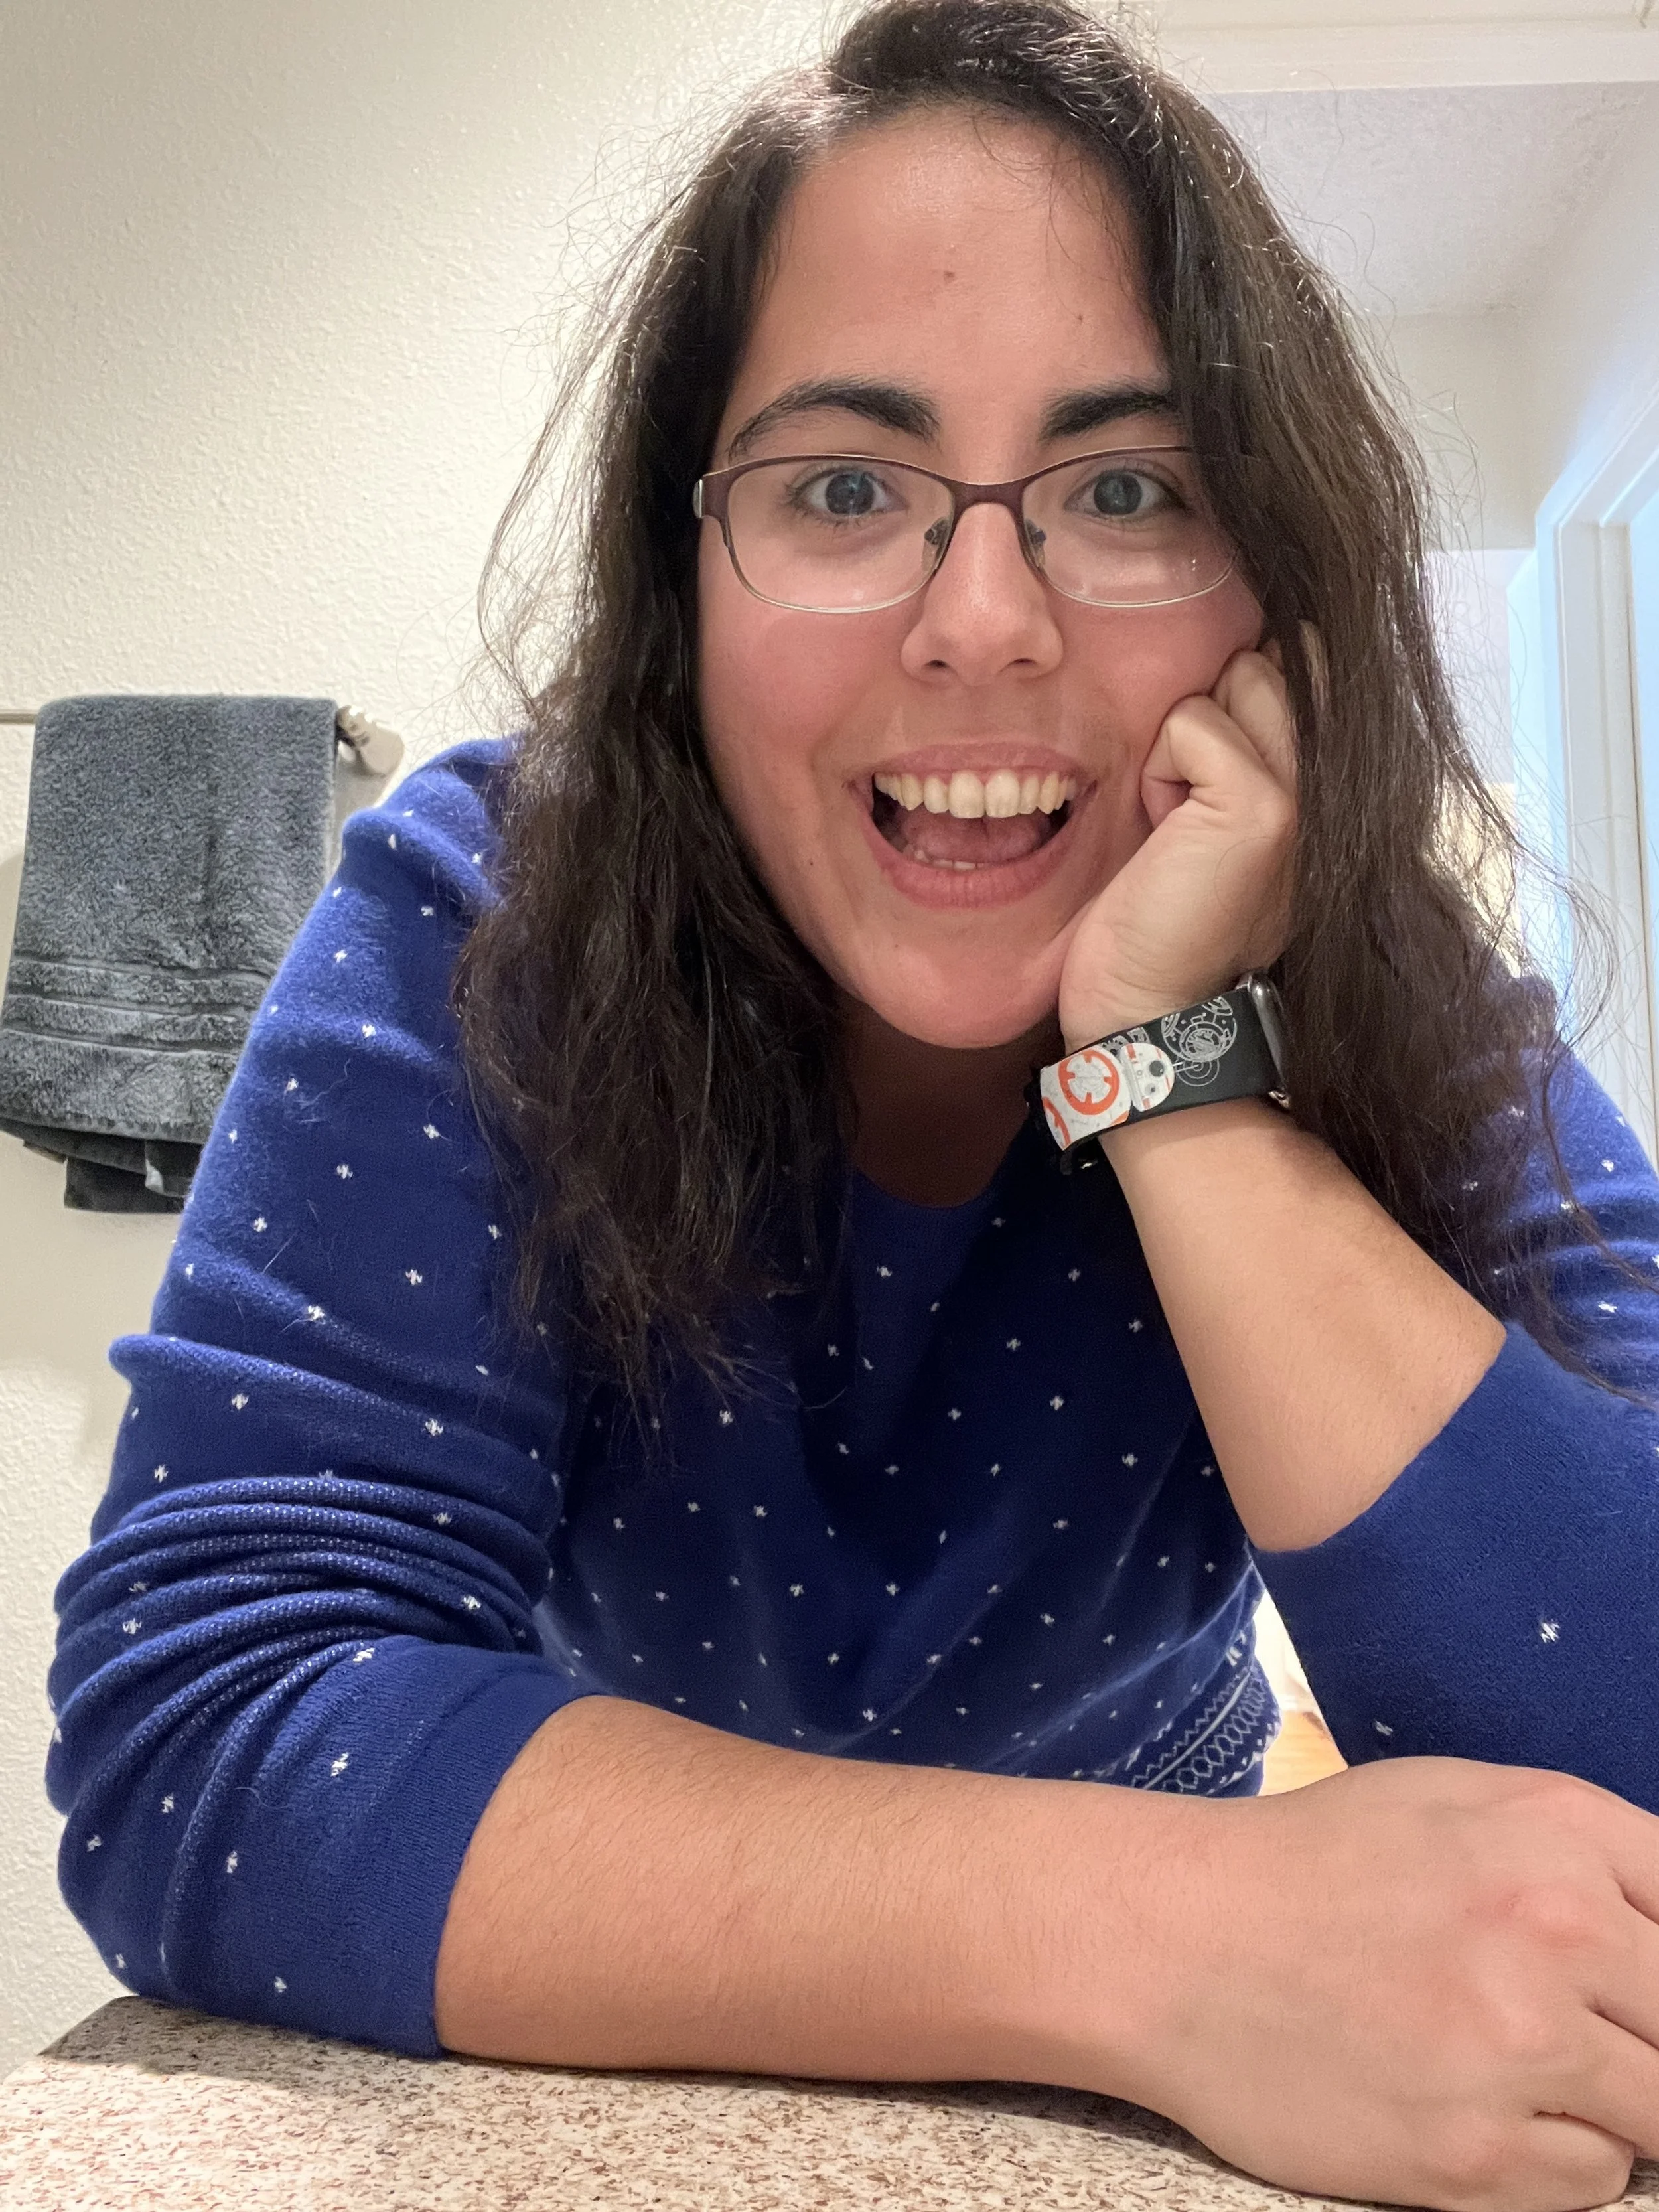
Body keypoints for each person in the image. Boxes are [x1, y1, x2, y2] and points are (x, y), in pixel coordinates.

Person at [46, 3, 1659, 2206]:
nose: (978, 621)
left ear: (1274, 593)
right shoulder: (477, 912)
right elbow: (210, 1732)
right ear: (681, 584)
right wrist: (1167, 1930)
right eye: (838, 488)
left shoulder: (1399, 989)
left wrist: (1178, 1082)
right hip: (600, 2002)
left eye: (1124, 489)